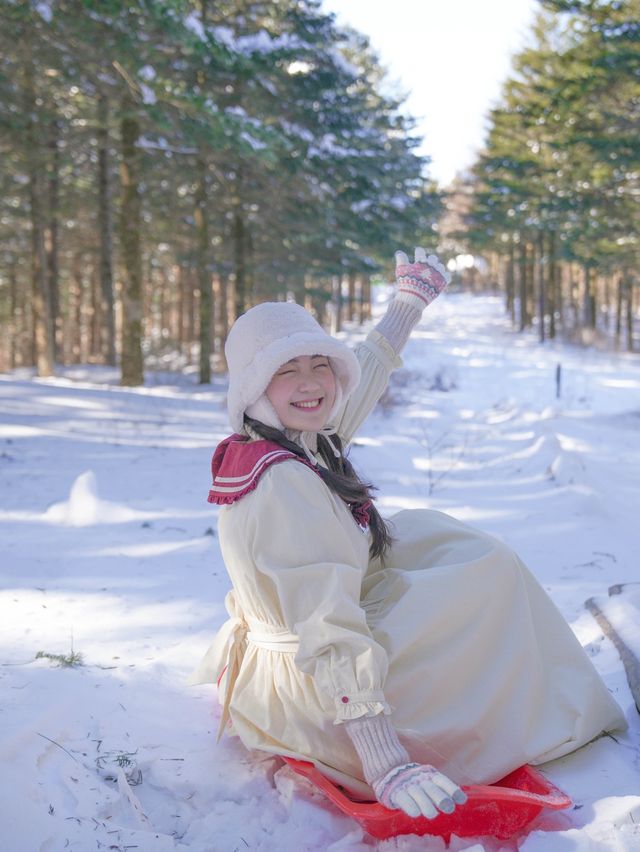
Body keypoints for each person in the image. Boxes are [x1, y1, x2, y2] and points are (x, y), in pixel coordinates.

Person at [192, 248, 627, 820]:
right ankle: (522, 709)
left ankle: (525, 685)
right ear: (252, 387)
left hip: (302, 656)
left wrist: (406, 307)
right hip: (314, 694)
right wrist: (383, 759)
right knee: (480, 586)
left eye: (319, 364)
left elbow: (357, 389)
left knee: (449, 544)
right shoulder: (281, 485)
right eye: (284, 371)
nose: (309, 384)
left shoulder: (294, 437)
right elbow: (327, 626)